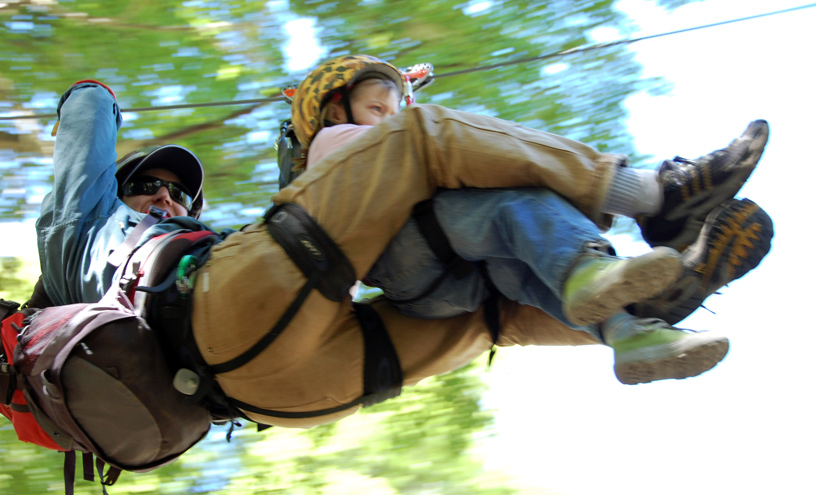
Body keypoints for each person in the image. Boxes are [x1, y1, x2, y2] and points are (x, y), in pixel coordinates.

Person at [38, 56, 765, 431]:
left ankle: (649, 315)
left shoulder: (195, 248)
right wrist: (90, 95)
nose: (166, 199)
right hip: (225, 326)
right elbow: (84, 142)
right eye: (149, 189)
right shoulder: (81, 237)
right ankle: (661, 199)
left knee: (489, 309)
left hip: (285, 389)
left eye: (178, 193)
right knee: (420, 136)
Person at [286, 55, 773, 382]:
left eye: (395, 109)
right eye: (378, 107)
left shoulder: (350, 157)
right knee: (520, 203)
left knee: (525, 273)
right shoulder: (335, 145)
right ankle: (656, 203)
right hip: (407, 244)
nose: (391, 117)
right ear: (333, 112)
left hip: (437, 292)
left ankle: (630, 334)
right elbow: (426, 156)